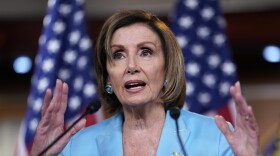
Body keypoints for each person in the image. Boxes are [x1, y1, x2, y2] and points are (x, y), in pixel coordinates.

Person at [30, 10, 262, 156]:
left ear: (168, 68)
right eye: (118, 55)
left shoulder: (216, 137)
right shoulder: (77, 146)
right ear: (108, 76)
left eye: (146, 52)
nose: (131, 65)